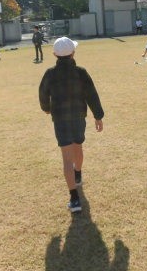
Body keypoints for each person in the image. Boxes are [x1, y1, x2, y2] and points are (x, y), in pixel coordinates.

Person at [38, 37, 105, 214]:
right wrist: (98, 116)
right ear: (73, 53)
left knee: (66, 158)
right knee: (78, 147)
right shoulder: (81, 72)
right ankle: (78, 174)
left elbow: (43, 94)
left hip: (60, 119)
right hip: (78, 117)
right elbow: (92, 95)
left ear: (54, 54)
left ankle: (74, 199)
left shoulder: (50, 74)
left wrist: (46, 108)